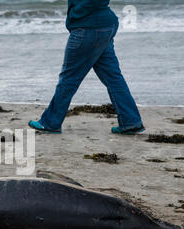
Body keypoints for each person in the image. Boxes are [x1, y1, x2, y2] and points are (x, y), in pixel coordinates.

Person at [29, 0, 145, 135]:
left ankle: (50, 123)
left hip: (89, 28)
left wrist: (76, 14)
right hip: (104, 25)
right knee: (113, 78)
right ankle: (131, 122)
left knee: (69, 78)